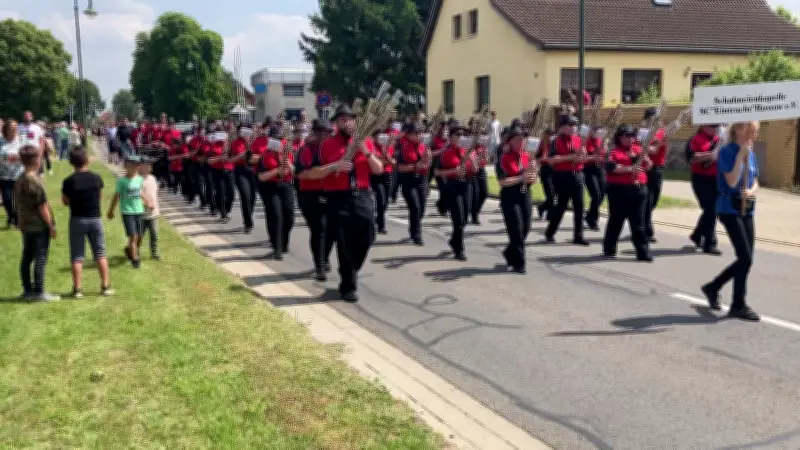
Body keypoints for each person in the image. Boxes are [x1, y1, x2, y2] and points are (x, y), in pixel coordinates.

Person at [316, 104, 383, 302]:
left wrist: (365, 150)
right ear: (336, 122)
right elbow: (317, 172)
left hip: (362, 195)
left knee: (367, 234)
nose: (348, 122)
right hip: (339, 197)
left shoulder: (366, 140)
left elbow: (378, 169)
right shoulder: (328, 144)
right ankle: (348, 285)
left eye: (351, 119)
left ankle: (353, 264)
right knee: (344, 240)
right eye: (343, 119)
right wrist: (334, 166)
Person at [701, 121, 761, 322]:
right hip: (729, 208)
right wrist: (739, 157)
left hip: (747, 209)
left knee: (747, 259)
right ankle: (737, 303)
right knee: (745, 257)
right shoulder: (728, 151)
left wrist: (751, 191)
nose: (754, 134)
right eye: (751, 130)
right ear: (737, 130)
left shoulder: (751, 152)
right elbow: (732, 181)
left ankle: (716, 289)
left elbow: (755, 180)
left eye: (756, 131)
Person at [61, 147, 114, 297]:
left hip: (77, 219)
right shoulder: (96, 178)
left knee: (77, 256)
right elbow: (100, 196)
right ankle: (105, 286)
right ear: (87, 160)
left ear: (71, 163)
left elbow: (65, 201)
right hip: (95, 219)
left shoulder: (68, 181)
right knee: (100, 253)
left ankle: (77, 289)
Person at [602, 125, 653, 262]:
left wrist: (646, 159)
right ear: (620, 137)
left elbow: (649, 166)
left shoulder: (638, 149)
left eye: (632, 135)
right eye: (627, 135)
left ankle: (643, 252)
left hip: (638, 189)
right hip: (619, 190)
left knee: (638, 222)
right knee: (616, 220)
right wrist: (630, 168)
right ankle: (609, 248)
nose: (631, 138)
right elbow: (611, 167)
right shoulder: (614, 151)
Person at [15, 144, 59, 301]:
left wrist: (20, 222)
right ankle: (39, 292)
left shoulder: (19, 179)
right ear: (36, 160)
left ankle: (27, 291)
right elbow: (42, 207)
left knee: (27, 256)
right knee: (40, 258)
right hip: (39, 225)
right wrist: (51, 225)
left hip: (26, 225)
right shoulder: (35, 181)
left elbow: (18, 205)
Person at [295, 119, 333, 280]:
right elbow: (303, 173)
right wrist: (325, 171)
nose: (327, 135)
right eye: (324, 132)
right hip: (309, 194)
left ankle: (324, 256)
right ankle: (319, 266)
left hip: (329, 192)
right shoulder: (306, 150)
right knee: (318, 229)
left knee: (330, 230)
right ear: (316, 133)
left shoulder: (332, 149)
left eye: (329, 132)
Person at [496, 125, 536, 273]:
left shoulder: (527, 157)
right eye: (519, 139)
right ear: (510, 141)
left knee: (526, 227)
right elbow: (502, 182)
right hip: (510, 196)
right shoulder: (504, 159)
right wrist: (521, 177)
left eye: (524, 139)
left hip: (525, 195)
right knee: (517, 230)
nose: (522, 141)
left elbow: (533, 178)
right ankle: (520, 263)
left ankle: (509, 252)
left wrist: (533, 174)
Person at [544, 115, 589, 245]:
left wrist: (583, 157)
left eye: (575, 125)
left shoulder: (579, 140)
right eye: (570, 125)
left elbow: (584, 158)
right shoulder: (555, 141)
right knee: (562, 206)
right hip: (562, 176)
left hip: (578, 175)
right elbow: (551, 160)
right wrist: (571, 157)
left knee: (580, 206)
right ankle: (550, 232)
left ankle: (578, 235)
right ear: (562, 127)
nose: (573, 128)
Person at [435, 120, 476, 261]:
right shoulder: (445, 152)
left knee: (464, 219)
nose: (461, 137)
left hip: (467, 186)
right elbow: (437, 172)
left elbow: (475, 170)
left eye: (463, 134)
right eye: (458, 134)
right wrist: (454, 170)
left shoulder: (468, 151)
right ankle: (459, 249)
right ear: (451, 136)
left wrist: (471, 156)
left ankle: (454, 240)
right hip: (453, 186)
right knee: (458, 219)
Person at [257, 128, 295, 260]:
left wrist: (289, 165)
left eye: (279, 140)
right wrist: (277, 170)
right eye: (274, 140)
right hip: (270, 186)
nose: (277, 142)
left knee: (289, 215)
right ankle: (276, 248)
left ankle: (283, 243)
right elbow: (262, 176)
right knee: (276, 215)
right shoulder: (265, 155)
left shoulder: (288, 153)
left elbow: (296, 172)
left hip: (286, 185)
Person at [685, 123, 722, 255]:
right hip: (701, 179)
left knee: (713, 210)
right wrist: (711, 155)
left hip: (717, 179)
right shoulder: (695, 139)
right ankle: (709, 243)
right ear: (703, 126)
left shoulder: (720, 139)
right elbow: (691, 158)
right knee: (711, 209)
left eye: (716, 126)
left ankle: (697, 234)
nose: (714, 128)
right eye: (711, 126)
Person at [107, 156, 147, 268]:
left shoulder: (140, 180)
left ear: (138, 167)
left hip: (139, 210)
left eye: (135, 166)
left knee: (139, 236)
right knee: (133, 236)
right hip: (127, 212)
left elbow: (140, 193)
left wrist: (147, 201)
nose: (133, 168)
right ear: (125, 166)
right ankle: (135, 259)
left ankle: (130, 250)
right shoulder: (122, 181)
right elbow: (116, 196)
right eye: (130, 166)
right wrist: (111, 210)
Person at [396, 122, 429, 245]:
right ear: (409, 135)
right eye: (417, 133)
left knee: (421, 208)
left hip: (422, 180)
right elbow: (399, 167)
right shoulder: (403, 148)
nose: (420, 135)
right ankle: (417, 235)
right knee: (415, 207)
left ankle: (413, 227)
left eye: (421, 133)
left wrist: (428, 160)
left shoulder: (423, 147)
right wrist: (415, 166)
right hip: (408, 181)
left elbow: (426, 165)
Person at [640, 108, 667, 243]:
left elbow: (666, 147)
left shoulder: (663, 132)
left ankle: (644, 222)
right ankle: (647, 230)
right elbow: (638, 148)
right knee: (647, 198)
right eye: (651, 118)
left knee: (654, 198)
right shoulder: (642, 133)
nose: (654, 120)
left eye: (657, 118)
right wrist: (646, 150)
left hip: (658, 168)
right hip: (645, 167)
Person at [229, 124, 256, 233]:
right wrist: (241, 156)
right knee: (245, 196)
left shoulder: (253, 141)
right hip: (240, 171)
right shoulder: (235, 143)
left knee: (252, 197)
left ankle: (249, 215)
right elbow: (231, 159)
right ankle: (247, 222)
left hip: (252, 170)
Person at [370, 129, 395, 234]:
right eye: (378, 137)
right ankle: (381, 226)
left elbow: (393, 162)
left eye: (383, 136)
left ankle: (378, 219)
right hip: (376, 176)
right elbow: (376, 162)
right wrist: (383, 159)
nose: (381, 139)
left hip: (388, 175)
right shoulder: (371, 147)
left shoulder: (389, 147)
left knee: (386, 201)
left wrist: (386, 154)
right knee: (381, 199)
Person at [583, 126, 606, 230]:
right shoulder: (585, 141)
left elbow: (604, 154)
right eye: (594, 130)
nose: (597, 132)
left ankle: (589, 215)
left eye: (598, 130)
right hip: (588, 169)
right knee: (596, 194)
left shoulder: (600, 140)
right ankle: (593, 219)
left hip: (599, 168)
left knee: (602, 193)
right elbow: (581, 158)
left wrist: (604, 146)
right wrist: (593, 157)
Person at [0, 119, 23, 228]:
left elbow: (26, 153)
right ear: (6, 128)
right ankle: (11, 215)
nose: (14, 129)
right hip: (4, 175)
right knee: (7, 199)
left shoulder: (21, 140)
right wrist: (5, 158)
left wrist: (17, 157)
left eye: (15, 127)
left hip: (18, 174)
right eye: (11, 127)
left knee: (18, 199)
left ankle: (17, 219)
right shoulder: (1, 141)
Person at [139, 158, 161, 260]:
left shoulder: (152, 178)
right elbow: (137, 196)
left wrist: (155, 206)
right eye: (146, 165)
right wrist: (146, 203)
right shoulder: (137, 180)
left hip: (153, 213)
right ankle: (135, 253)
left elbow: (155, 194)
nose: (149, 167)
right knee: (139, 236)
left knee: (154, 235)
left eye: (149, 165)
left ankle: (154, 253)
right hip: (141, 214)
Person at [536, 127, 556, 219]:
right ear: (546, 135)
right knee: (550, 194)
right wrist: (544, 159)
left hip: (555, 170)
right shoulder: (540, 145)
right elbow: (535, 159)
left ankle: (542, 207)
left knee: (553, 194)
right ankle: (550, 215)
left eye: (553, 135)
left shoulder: (555, 145)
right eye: (550, 135)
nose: (552, 137)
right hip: (545, 170)